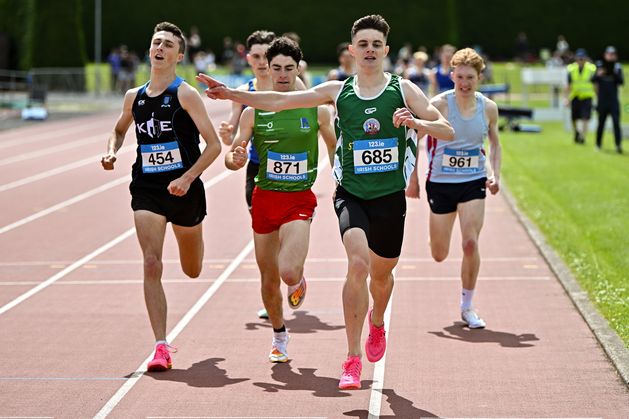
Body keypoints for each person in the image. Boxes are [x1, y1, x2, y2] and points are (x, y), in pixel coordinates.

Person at [197, 14, 454, 389]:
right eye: (362, 44)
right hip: (351, 194)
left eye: (376, 44)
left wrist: (417, 124)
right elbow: (279, 101)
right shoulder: (337, 91)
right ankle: (351, 358)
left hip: (388, 198)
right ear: (352, 50)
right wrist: (233, 93)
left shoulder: (404, 90)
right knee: (357, 263)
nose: (369, 50)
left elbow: (444, 129)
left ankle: (377, 323)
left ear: (385, 50)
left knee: (381, 278)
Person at [100, 22, 222, 372]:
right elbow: (120, 129)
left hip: (184, 189)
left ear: (178, 55)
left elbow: (214, 146)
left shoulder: (185, 94)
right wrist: (111, 151)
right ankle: (160, 345)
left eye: (168, 45)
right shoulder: (133, 97)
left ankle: (195, 234)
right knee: (152, 263)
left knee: (192, 269)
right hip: (148, 189)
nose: (160, 48)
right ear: (149, 50)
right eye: (156, 42)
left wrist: (187, 177)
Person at [225, 37, 337, 363]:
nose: (283, 74)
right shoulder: (253, 111)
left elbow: (334, 148)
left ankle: (298, 278)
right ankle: (279, 335)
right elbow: (234, 157)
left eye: (290, 68)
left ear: (298, 68)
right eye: (277, 68)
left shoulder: (316, 110)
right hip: (264, 198)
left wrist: (341, 176)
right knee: (268, 278)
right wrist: (235, 155)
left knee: (287, 272)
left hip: (299, 198)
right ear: (267, 69)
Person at [407, 48, 501, 329]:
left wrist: (495, 174)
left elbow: (495, 143)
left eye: (470, 77)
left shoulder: (488, 108)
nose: (464, 83)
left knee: (470, 243)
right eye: (459, 77)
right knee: (439, 253)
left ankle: (467, 305)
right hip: (441, 183)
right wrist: (412, 178)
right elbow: (415, 137)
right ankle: (436, 236)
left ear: (479, 78)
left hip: (473, 182)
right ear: (452, 76)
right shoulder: (439, 105)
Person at [593, 46, 624, 153]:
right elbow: (592, 79)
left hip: (613, 101)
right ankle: (598, 144)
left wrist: (613, 73)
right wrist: (599, 73)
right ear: (605, 55)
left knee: (616, 123)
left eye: (613, 54)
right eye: (609, 54)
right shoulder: (599, 66)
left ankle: (618, 145)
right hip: (602, 101)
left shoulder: (617, 67)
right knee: (601, 123)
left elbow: (621, 82)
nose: (611, 56)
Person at [565, 48, 596, 144]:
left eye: (582, 58)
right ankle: (577, 132)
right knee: (574, 118)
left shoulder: (591, 69)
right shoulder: (571, 69)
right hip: (575, 96)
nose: (580, 60)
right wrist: (566, 98)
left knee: (585, 118)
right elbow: (568, 85)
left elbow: (596, 84)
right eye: (579, 58)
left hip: (587, 96)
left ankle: (582, 136)